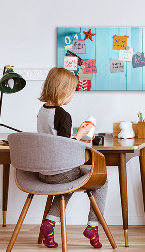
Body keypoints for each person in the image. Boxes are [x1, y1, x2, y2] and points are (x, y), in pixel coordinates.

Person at [37, 67, 107, 249]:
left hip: (43, 172)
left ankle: (49, 224)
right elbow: (64, 147)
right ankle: (93, 226)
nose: (73, 94)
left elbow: (54, 140)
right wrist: (81, 135)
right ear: (63, 91)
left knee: (68, 183)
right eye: (72, 90)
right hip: (60, 172)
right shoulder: (63, 115)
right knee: (102, 180)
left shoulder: (42, 111)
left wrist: (76, 136)